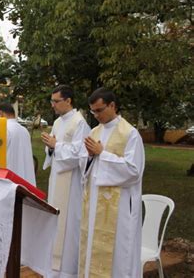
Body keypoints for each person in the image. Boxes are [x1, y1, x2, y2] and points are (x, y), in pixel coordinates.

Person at [79, 88, 145, 277]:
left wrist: (102, 154)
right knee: (92, 242)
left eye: (99, 110)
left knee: (117, 253)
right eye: (93, 111)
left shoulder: (130, 134)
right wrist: (90, 157)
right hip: (94, 202)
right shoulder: (94, 131)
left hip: (119, 205)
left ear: (112, 106)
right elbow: (85, 164)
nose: (96, 115)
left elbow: (134, 171)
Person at [41, 85, 90, 277]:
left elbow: (81, 155)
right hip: (57, 179)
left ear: (68, 101)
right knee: (56, 220)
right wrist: (51, 149)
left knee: (69, 225)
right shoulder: (58, 123)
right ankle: (53, 268)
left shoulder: (80, 124)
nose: (52, 105)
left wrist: (56, 146)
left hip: (72, 185)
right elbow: (53, 150)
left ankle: (68, 270)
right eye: (51, 101)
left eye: (56, 101)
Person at [0, 103, 36, 185]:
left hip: (9, 174)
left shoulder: (3, 129)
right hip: (24, 173)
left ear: (1, 113)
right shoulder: (24, 130)